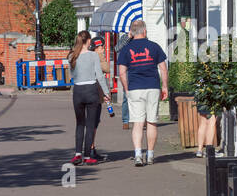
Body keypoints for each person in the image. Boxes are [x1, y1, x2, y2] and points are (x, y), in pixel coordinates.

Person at [115, 19, 167, 166]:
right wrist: (165, 86)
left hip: (135, 88)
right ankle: (150, 155)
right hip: (152, 87)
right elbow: (163, 68)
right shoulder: (154, 47)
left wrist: (126, 88)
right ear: (144, 31)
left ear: (131, 33)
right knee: (152, 122)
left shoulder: (125, 49)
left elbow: (122, 72)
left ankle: (138, 154)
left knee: (137, 123)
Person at [69, 30, 111, 165]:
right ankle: (87, 156)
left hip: (78, 91)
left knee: (79, 124)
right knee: (90, 124)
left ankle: (77, 154)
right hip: (91, 90)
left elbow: (72, 76)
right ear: (88, 41)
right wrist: (106, 92)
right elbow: (99, 75)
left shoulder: (71, 56)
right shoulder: (93, 56)